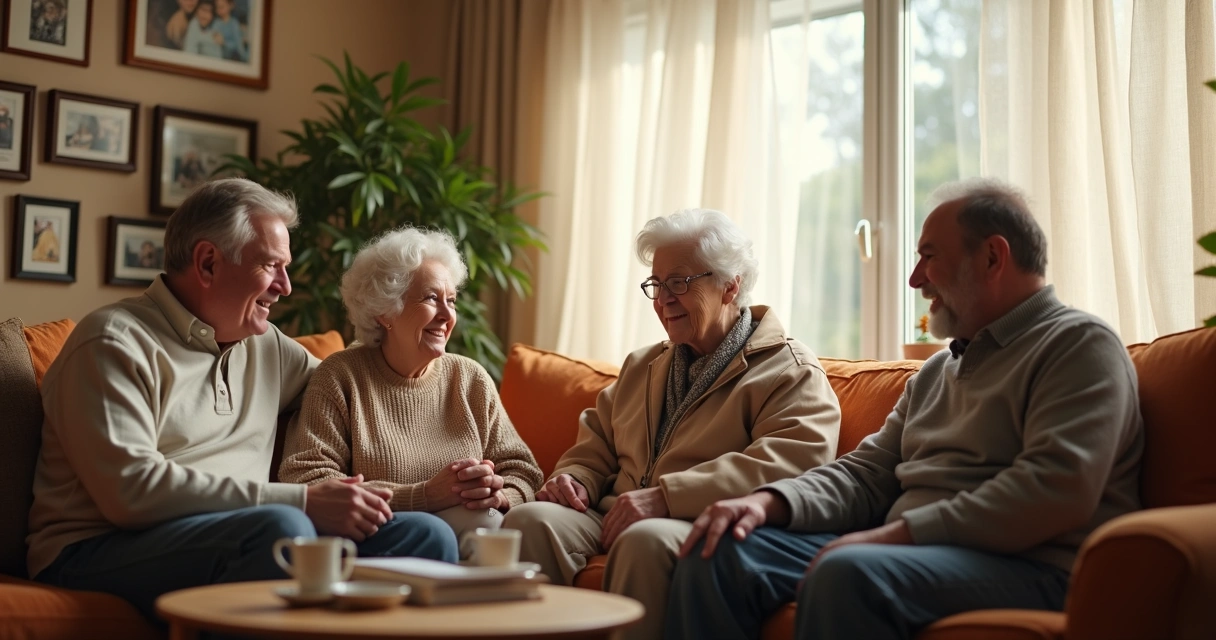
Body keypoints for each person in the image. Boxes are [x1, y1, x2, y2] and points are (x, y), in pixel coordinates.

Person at [667, 178, 1145, 640]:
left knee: (848, 573)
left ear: (992, 257)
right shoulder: (939, 370)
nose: (915, 279)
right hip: (914, 551)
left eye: (929, 257)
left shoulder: (1078, 345)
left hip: (1033, 564)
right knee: (715, 552)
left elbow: (1055, 488)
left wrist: (893, 537)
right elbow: (866, 474)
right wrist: (765, 502)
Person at [27, 178, 458, 625]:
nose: (285, 286)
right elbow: (131, 493)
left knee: (425, 536)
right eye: (271, 266)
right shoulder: (113, 342)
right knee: (283, 530)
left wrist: (428, 370)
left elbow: (354, 392)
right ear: (208, 263)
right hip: (96, 549)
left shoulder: (266, 345)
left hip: (245, 533)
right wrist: (302, 501)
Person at [502, 209, 842, 640]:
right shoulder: (643, 364)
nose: (663, 299)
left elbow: (792, 464)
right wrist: (576, 479)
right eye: (656, 284)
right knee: (530, 521)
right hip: (612, 512)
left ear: (730, 285)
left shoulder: (789, 370)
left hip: (696, 520)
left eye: (679, 282)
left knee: (644, 540)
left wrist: (667, 497)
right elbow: (597, 443)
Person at [279, 227, 544, 551]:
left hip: (475, 529)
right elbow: (308, 479)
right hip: (385, 537)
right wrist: (424, 496)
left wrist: (498, 495)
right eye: (431, 298)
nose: (447, 315)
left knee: (497, 525)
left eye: (451, 301)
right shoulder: (341, 376)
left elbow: (523, 470)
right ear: (385, 311)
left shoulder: (470, 379)